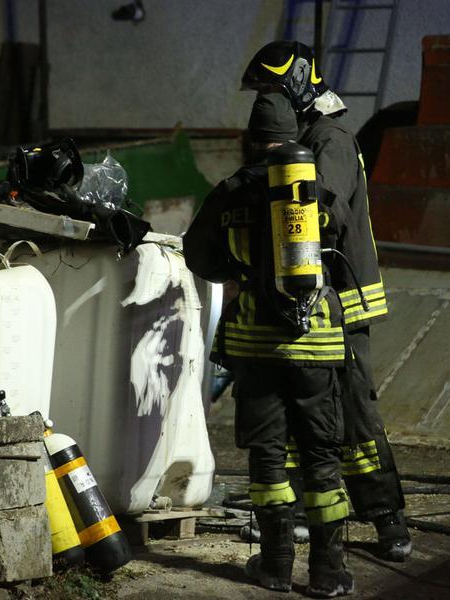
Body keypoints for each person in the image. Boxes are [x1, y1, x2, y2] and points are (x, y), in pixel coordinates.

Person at [241, 40, 412, 562]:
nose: (266, 102)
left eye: (272, 90)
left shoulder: (329, 139)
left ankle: (388, 521)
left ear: (296, 84)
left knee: (355, 415)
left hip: (344, 300)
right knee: (305, 416)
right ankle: (297, 516)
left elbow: (325, 213)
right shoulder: (303, 137)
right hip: (314, 304)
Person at [184, 93, 354, 597]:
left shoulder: (230, 191)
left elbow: (198, 254)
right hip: (316, 346)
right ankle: (327, 573)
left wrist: (239, 274)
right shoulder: (315, 190)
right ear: (294, 138)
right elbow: (343, 247)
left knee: (268, 456)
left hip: (255, 348)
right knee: (321, 456)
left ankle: (276, 566)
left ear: (251, 140)